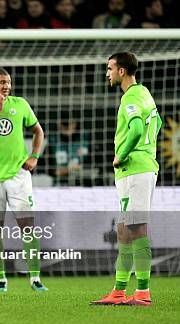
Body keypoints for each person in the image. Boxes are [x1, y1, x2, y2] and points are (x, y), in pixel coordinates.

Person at [0, 67, 47, 293]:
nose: (7, 86)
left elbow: (38, 131)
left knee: (28, 227)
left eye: (9, 82)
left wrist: (34, 156)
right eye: (2, 82)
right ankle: (1, 280)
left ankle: (35, 279)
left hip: (19, 176)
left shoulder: (20, 104)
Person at [91, 52, 160, 306]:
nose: (107, 73)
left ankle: (142, 293)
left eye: (110, 68)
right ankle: (119, 291)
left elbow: (138, 129)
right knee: (123, 229)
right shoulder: (144, 94)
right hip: (135, 171)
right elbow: (158, 123)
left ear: (121, 71)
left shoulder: (131, 96)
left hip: (136, 169)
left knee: (136, 227)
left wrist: (121, 154)